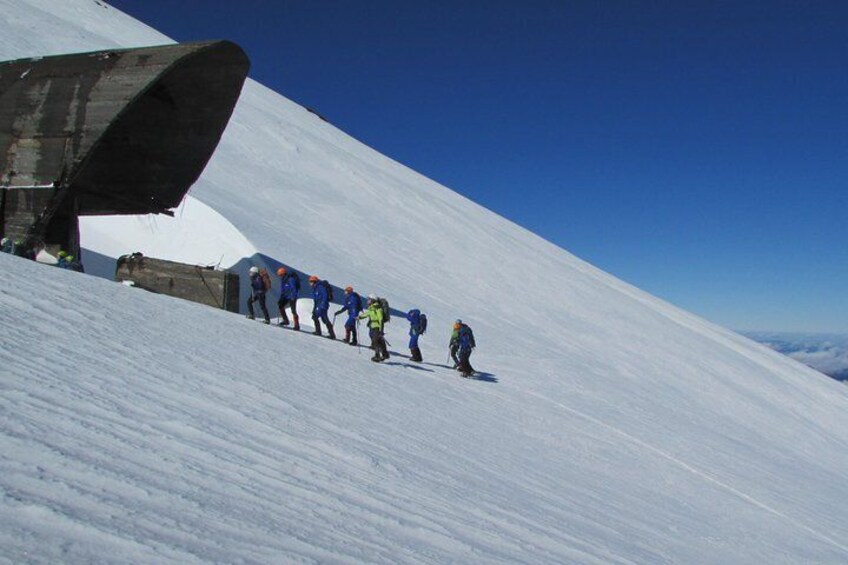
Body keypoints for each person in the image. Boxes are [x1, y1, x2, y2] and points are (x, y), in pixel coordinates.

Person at [359, 294, 389, 362]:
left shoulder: (378, 309)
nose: (367, 301)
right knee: (379, 340)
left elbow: (380, 320)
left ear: (372, 300)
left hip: (377, 327)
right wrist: (359, 317)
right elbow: (367, 314)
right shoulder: (372, 308)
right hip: (373, 326)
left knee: (375, 341)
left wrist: (381, 330)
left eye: (369, 299)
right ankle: (385, 354)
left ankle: (377, 356)